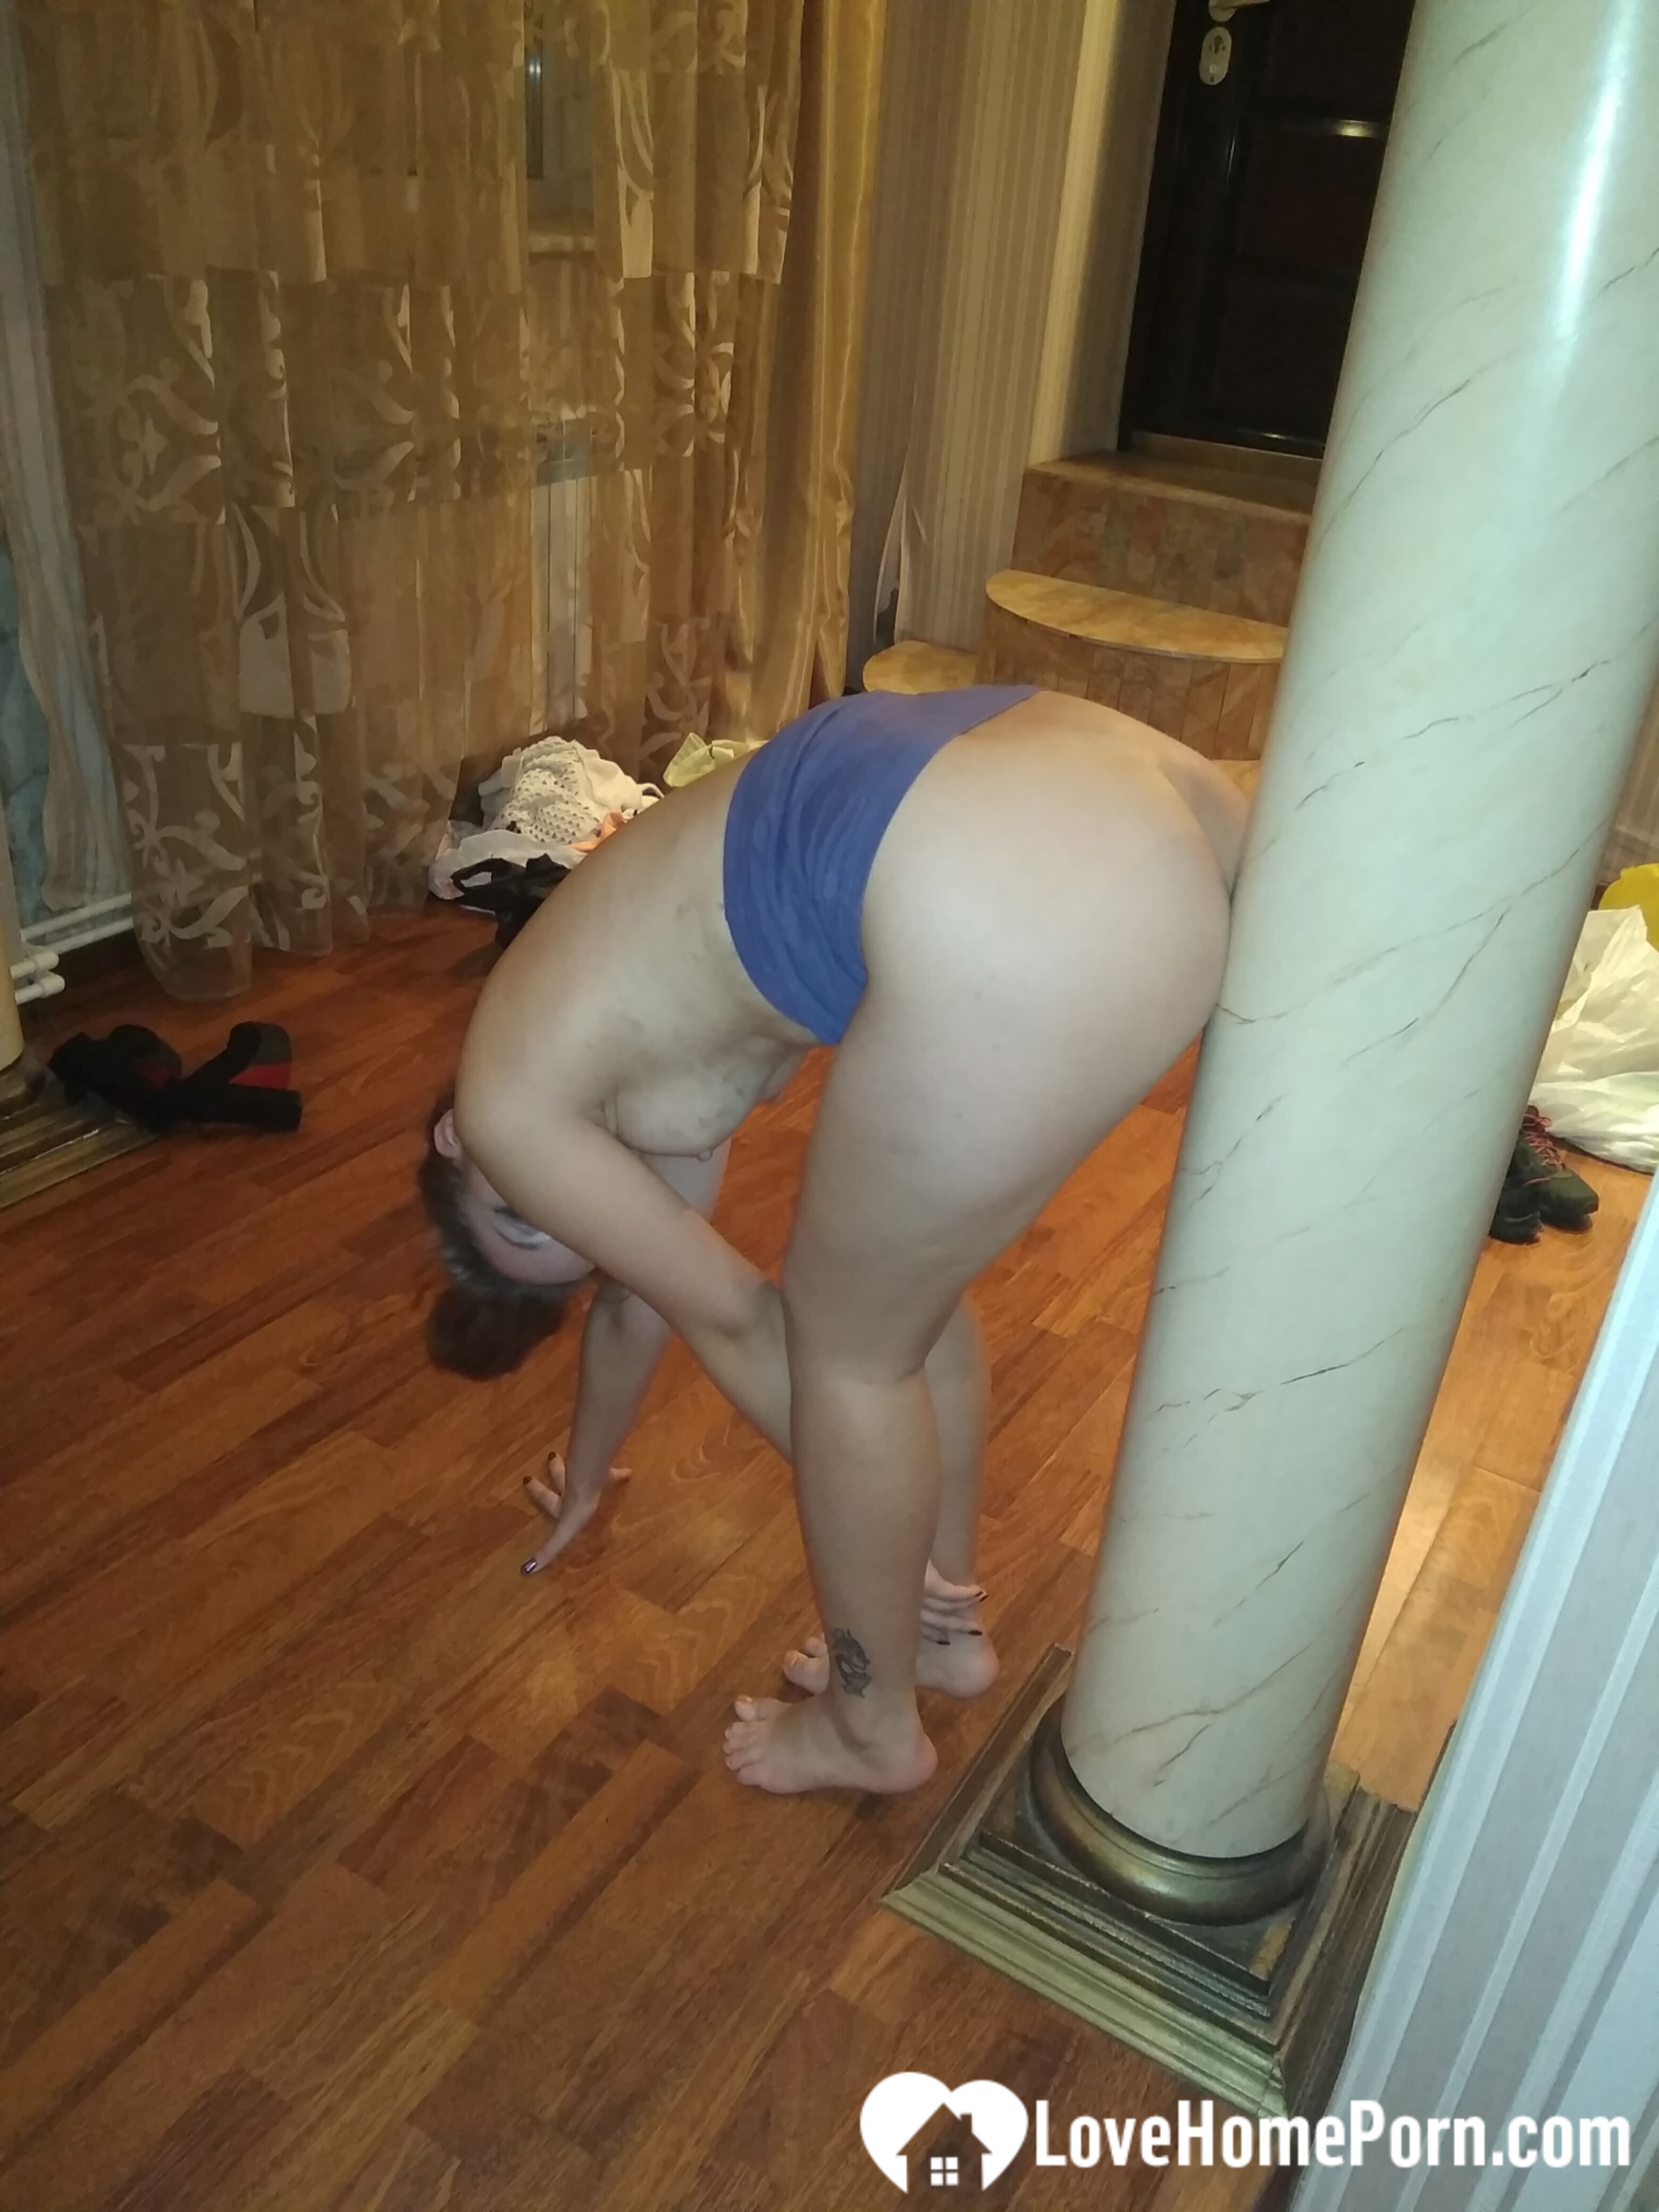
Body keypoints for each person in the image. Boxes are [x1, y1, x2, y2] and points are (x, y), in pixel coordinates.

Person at [418, 686, 1245, 1797]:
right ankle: (947, 1633)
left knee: (846, 1349)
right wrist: (586, 1475)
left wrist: (885, 1556)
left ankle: (869, 1726)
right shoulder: (595, 1031)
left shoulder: (506, 1102)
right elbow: (643, 1297)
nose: (568, 1204)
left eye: (527, 1206)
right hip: (1120, 778)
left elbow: (738, 1321)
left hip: (1008, 870)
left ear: (456, 1141)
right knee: (906, 1306)